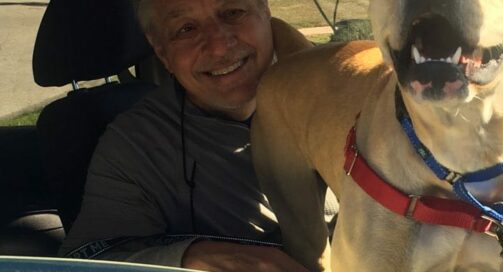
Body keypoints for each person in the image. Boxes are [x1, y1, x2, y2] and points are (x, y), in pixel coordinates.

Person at [58, 0, 314, 271]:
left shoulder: (329, 92)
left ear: (266, 13)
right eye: (186, 28)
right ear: (161, 51)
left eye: (233, 13)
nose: (219, 45)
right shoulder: (138, 144)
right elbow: (83, 261)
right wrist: (191, 258)